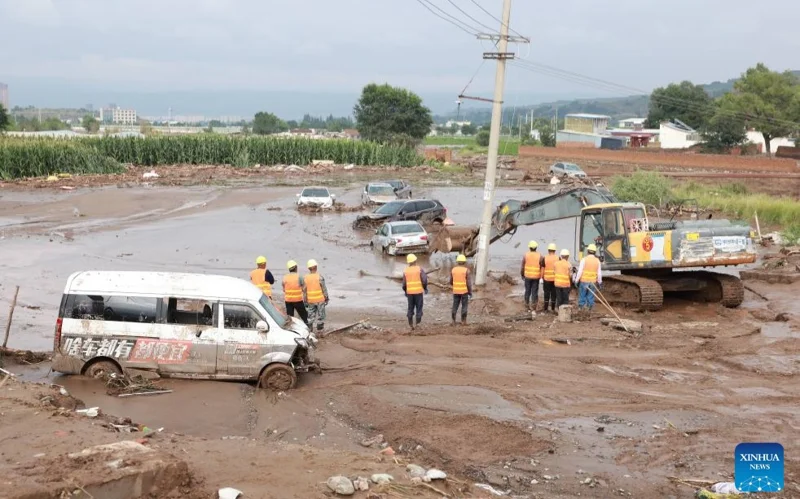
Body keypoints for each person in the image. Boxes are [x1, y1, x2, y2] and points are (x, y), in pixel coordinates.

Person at [574, 244, 602, 317]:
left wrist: (576, 280)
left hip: (584, 281)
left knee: (582, 295)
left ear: (587, 251)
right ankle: (589, 311)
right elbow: (599, 273)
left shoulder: (584, 259)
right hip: (592, 282)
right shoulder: (597, 261)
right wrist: (600, 282)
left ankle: (581, 310)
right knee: (590, 296)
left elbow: (580, 271)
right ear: (595, 252)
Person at [402, 253, 428, 330]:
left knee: (410, 308)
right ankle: (418, 325)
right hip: (418, 292)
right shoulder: (419, 269)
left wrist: (406, 291)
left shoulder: (406, 271)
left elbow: (404, 284)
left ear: (409, 262)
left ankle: (410, 325)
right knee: (419, 308)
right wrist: (425, 288)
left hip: (410, 293)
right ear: (415, 261)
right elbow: (424, 280)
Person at [304, 259, 329, 332]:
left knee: (310, 316)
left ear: (309, 268)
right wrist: (326, 298)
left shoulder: (306, 278)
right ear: (316, 267)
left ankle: (309, 330)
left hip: (310, 301)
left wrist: (305, 300)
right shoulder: (320, 277)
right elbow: (324, 289)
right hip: (320, 300)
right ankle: (320, 331)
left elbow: (304, 291)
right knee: (321, 316)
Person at [282, 260, 309, 326]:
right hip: (298, 300)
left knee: (290, 317)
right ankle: (308, 326)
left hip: (288, 300)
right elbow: (304, 288)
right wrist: (306, 300)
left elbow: (284, 289)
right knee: (304, 316)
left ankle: (291, 328)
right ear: (296, 267)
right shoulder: (299, 277)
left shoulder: (285, 277)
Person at [520, 241, 543, 312]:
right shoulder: (540, 256)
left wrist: (522, 274)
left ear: (529, 247)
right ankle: (533, 307)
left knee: (527, 291)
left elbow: (522, 266)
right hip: (536, 277)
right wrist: (541, 277)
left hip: (527, 276)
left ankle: (526, 306)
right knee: (534, 292)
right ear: (536, 247)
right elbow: (542, 267)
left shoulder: (526, 255)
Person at [450, 254, 472, 325]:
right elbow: (468, 283)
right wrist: (470, 292)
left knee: (455, 305)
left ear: (457, 262)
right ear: (464, 262)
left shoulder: (453, 270)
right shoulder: (466, 271)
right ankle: (463, 321)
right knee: (464, 306)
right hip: (464, 291)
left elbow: (450, 281)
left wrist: (455, 286)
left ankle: (453, 321)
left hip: (456, 291)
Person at [542, 243, 558, 313]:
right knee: (554, 294)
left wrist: (542, 277)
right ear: (555, 250)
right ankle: (553, 308)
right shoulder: (558, 258)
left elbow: (542, 269)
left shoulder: (545, 258)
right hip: (555, 279)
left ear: (548, 250)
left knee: (546, 294)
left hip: (547, 279)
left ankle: (545, 309)